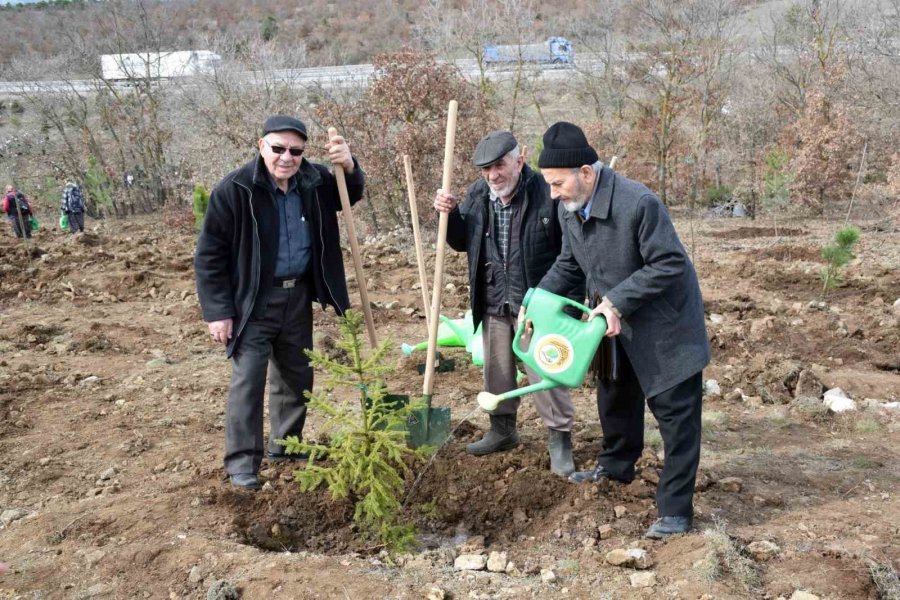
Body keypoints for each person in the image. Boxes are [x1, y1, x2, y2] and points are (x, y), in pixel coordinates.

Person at [533, 122, 710, 539]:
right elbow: (571, 264)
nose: (553, 194)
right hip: (612, 327)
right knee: (615, 398)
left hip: (666, 328)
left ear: (587, 173)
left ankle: (675, 511)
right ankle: (615, 469)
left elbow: (669, 264)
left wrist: (614, 301)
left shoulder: (638, 203)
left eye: (558, 183)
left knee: (676, 417)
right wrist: (537, 300)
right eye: (549, 185)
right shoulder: (569, 208)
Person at [195, 115, 365, 490]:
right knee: (249, 380)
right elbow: (209, 255)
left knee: (296, 374)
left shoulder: (313, 180)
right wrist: (218, 312)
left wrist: (350, 165)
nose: (286, 157)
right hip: (253, 302)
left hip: (298, 295)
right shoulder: (236, 189)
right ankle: (242, 462)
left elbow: (348, 194)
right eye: (278, 148)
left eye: (296, 151)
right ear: (261, 146)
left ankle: (286, 444)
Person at [433, 131, 584, 476]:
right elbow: (461, 242)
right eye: (486, 169)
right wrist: (451, 216)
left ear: (520, 158)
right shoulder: (478, 195)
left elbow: (569, 252)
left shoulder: (547, 194)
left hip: (538, 302)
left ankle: (559, 439)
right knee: (497, 369)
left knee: (545, 370)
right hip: (493, 297)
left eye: (499, 165)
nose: (493, 175)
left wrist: (553, 300)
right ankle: (502, 430)